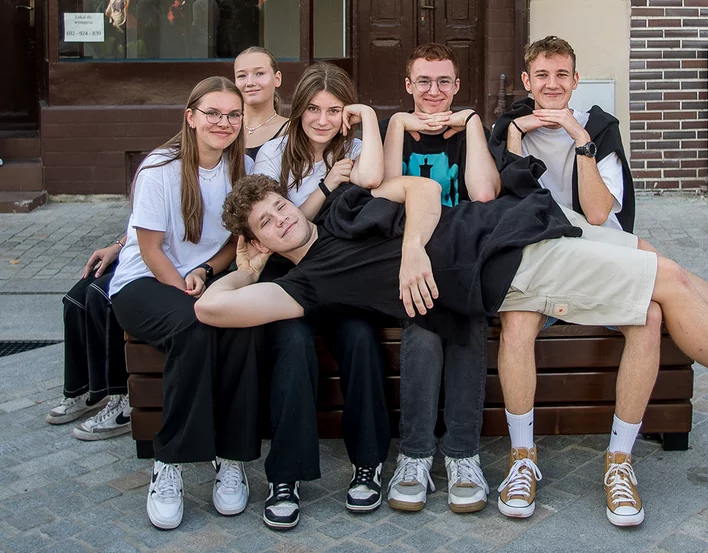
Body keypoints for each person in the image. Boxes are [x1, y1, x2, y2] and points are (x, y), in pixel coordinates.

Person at [199, 171, 708, 530]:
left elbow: (422, 191)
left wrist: (410, 251)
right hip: (507, 272)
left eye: (280, 205)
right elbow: (211, 309)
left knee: (663, 272)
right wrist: (246, 270)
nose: (283, 218)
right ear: (260, 239)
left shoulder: (343, 205)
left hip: (510, 227)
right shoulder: (306, 285)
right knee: (663, 284)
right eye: (267, 223)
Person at [487, 36, 708, 524]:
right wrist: (516, 136)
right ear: (526, 81)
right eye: (542, 75)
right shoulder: (508, 130)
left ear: (576, 80)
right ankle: (523, 459)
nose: (552, 84)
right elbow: (507, 205)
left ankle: (619, 462)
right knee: (519, 321)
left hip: (592, 259)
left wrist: (579, 139)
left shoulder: (597, 128)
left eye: (561, 74)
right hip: (537, 265)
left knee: (648, 315)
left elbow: (600, 213)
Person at [108, 76, 263, 531]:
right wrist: (184, 291)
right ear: (191, 117)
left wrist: (207, 273)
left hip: (202, 282)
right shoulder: (159, 168)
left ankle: (230, 457)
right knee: (194, 326)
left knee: (242, 327)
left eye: (233, 115)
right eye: (213, 113)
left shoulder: (243, 167)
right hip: (144, 282)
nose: (223, 122)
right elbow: (150, 249)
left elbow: (234, 243)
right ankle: (169, 462)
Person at [250, 62, 390, 528]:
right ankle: (285, 475)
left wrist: (365, 119)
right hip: (288, 272)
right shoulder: (273, 154)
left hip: (341, 269)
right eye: (313, 109)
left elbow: (374, 183)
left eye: (334, 110)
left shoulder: (356, 149)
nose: (323, 120)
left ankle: (368, 463)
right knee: (292, 346)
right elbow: (276, 224)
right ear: (299, 110)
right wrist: (328, 185)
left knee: (361, 338)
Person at [379, 43, 499, 514]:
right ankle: (415, 455)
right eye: (424, 81)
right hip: (405, 254)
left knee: (467, 316)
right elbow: (383, 192)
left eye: (444, 81)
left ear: (457, 85)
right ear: (408, 85)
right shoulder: (395, 131)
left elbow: (483, 194)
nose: (434, 91)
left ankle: (463, 455)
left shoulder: (468, 132)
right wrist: (396, 124)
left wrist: (472, 125)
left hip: (461, 254)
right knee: (423, 321)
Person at [45, 236, 132, 441]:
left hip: (159, 255)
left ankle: (124, 400)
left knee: (100, 297)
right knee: (75, 300)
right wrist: (119, 246)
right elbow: (141, 221)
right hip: (135, 249)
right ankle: (87, 390)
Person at [234, 46, 289, 161]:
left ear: (277, 79)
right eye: (242, 75)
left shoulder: (293, 130)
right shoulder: (225, 127)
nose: (250, 82)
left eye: (259, 73)